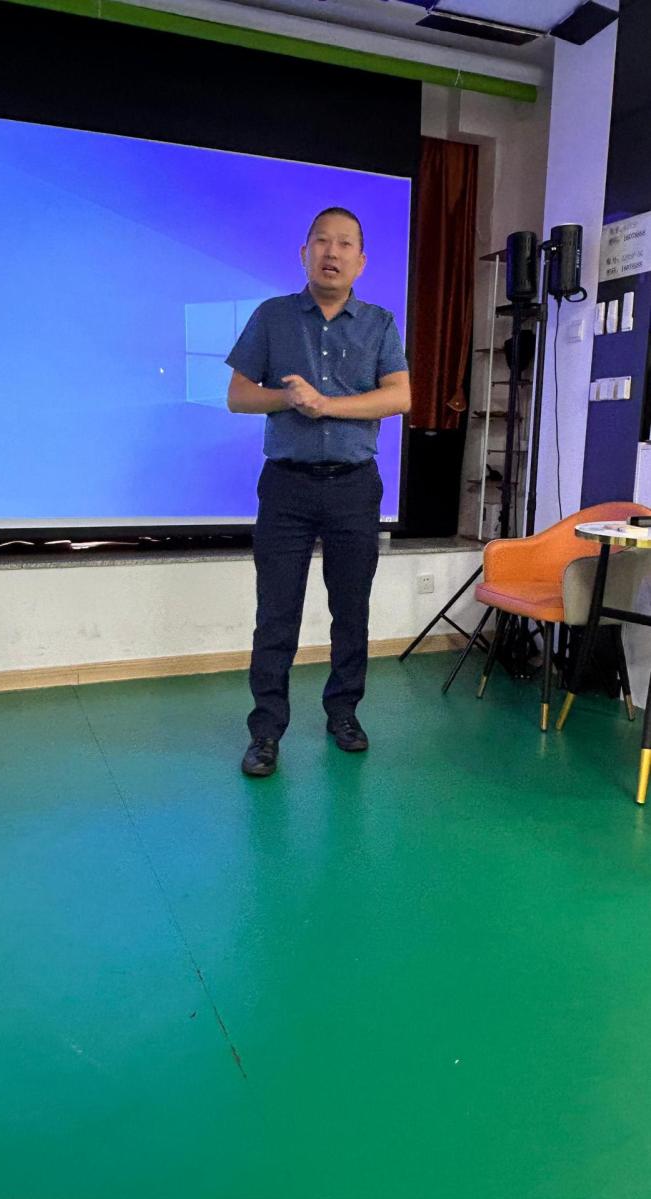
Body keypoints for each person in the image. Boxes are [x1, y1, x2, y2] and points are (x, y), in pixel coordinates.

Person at [226, 206, 410, 777]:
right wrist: (288, 398)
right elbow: (238, 395)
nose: (333, 252)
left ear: (361, 261)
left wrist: (326, 404)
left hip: (354, 487)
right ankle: (265, 731)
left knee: (350, 609)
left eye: (345, 243)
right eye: (322, 241)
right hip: (287, 486)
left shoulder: (379, 323)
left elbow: (399, 396)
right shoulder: (273, 316)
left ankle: (344, 714)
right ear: (303, 253)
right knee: (276, 613)